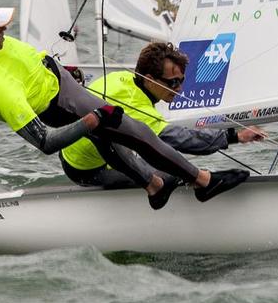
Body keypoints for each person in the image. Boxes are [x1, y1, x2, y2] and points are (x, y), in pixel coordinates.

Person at [0, 0, 247, 210]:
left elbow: (21, 61)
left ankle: (154, 186)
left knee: (108, 140)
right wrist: (92, 120)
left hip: (58, 84)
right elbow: (47, 142)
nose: (5, 30)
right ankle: (204, 182)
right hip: (60, 104)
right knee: (133, 131)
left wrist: (58, 69)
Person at [60, 41, 264, 195]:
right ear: (149, 79)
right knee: (170, 175)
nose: (179, 89)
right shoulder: (136, 105)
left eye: (181, 81)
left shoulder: (122, 77)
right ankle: (202, 187)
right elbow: (181, 140)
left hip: (88, 152)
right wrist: (235, 136)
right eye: (173, 82)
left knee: (162, 160)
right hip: (86, 169)